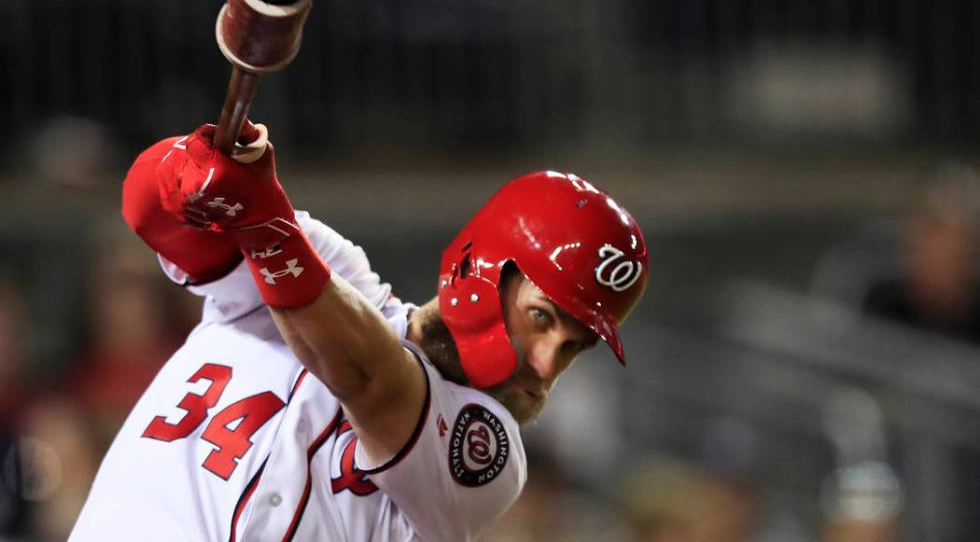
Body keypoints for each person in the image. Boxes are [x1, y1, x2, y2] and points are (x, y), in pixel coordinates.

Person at [69, 121, 648, 541]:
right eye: (543, 318)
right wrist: (187, 169)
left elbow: (367, 378)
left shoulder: (488, 455)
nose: (547, 366)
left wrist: (264, 221)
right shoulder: (329, 266)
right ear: (484, 270)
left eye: (574, 347)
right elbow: (149, 211)